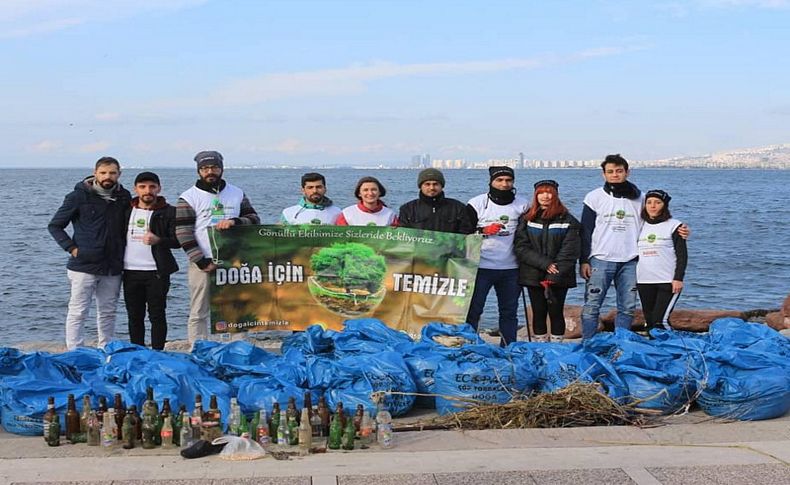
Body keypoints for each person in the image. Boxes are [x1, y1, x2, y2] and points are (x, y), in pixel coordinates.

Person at [579, 154, 689, 339]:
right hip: (601, 259)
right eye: (610, 172)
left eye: (619, 171)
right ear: (603, 174)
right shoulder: (594, 197)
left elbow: (657, 220)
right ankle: (588, 343)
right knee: (592, 305)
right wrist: (583, 260)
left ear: (627, 172)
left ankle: (622, 344)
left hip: (631, 261)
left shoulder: (640, 198)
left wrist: (680, 229)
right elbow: (585, 230)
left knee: (627, 307)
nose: (615, 175)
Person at [175, 150, 260, 344]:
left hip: (234, 261)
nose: (210, 171)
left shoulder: (237, 193)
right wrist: (201, 261)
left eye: (214, 167)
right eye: (205, 168)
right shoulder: (188, 197)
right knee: (199, 310)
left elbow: (254, 219)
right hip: (203, 262)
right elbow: (183, 232)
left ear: (221, 168)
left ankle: (238, 348)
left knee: (237, 307)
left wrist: (235, 221)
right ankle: (198, 349)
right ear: (199, 171)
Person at [48, 156, 131, 350]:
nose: (107, 176)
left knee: (108, 311)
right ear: (95, 173)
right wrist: (72, 248)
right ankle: (75, 350)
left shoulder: (124, 197)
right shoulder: (78, 196)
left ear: (119, 174)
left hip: (113, 265)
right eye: (103, 172)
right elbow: (55, 225)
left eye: (112, 172)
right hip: (83, 264)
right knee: (78, 310)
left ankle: (106, 349)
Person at [465, 166, 530, 346]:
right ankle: (470, 345)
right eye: (499, 180)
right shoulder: (476, 203)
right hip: (481, 267)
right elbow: (463, 232)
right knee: (474, 310)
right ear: (491, 182)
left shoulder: (523, 204)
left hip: (511, 268)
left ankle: (508, 347)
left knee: (509, 312)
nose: (504, 184)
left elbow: (529, 235)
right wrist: (483, 230)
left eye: (508, 180)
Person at [514, 180, 580, 343]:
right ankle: (540, 345)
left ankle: (557, 346)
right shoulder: (527, 219)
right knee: (538, 311)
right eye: (541, 192)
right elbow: (521, 246)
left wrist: (556, 269)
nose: (545, 196)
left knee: (556, 311)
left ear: (555, 195)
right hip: (533, 273)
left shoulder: (568, 220)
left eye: (549, 192)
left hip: (559, 275)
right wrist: (545, 264)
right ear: (536, 195)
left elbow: (571, 249)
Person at [122, 172, 179, 350]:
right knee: (134, 315)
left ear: (159, 188)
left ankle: (158, 352)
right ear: (136, 189)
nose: (148, 191)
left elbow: (178, 241)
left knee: (157, 315)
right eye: (143, 186)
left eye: (152, 187)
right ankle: (137, 351)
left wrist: (159, 240)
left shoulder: (169, 212)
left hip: (157, 271)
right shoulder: (125, 210)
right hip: (130, 270)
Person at [636, 189, 687, 333]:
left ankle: (672, 347)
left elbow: (682, 255)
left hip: (667, 281)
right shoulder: (639, 225)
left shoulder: (675, 225)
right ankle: (655, 351)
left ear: (664, 205)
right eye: (649, 202)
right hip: (644, 280)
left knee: (660, 321)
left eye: (657, 202)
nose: (653, 206)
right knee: (650, 320)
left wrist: (678, 278)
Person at [398, 168, 475, 234]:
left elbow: (466, 234)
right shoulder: (407, 209)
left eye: (435, 184)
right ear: (420, 186)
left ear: (442, 186)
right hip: (418, 251)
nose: (432, 188)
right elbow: (402, 236)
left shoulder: (458, 208)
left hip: (449, 251)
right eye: (427, 184)